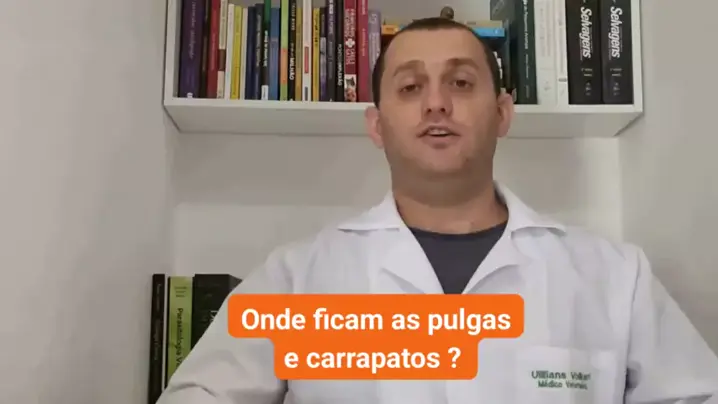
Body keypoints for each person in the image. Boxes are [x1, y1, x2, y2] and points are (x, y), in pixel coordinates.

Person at [157, 17, 718, 404]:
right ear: (377, 126)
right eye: (410, 88)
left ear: (503, 113)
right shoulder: (298, 280)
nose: (436, 103)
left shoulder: (614, 278)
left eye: (461, 82)